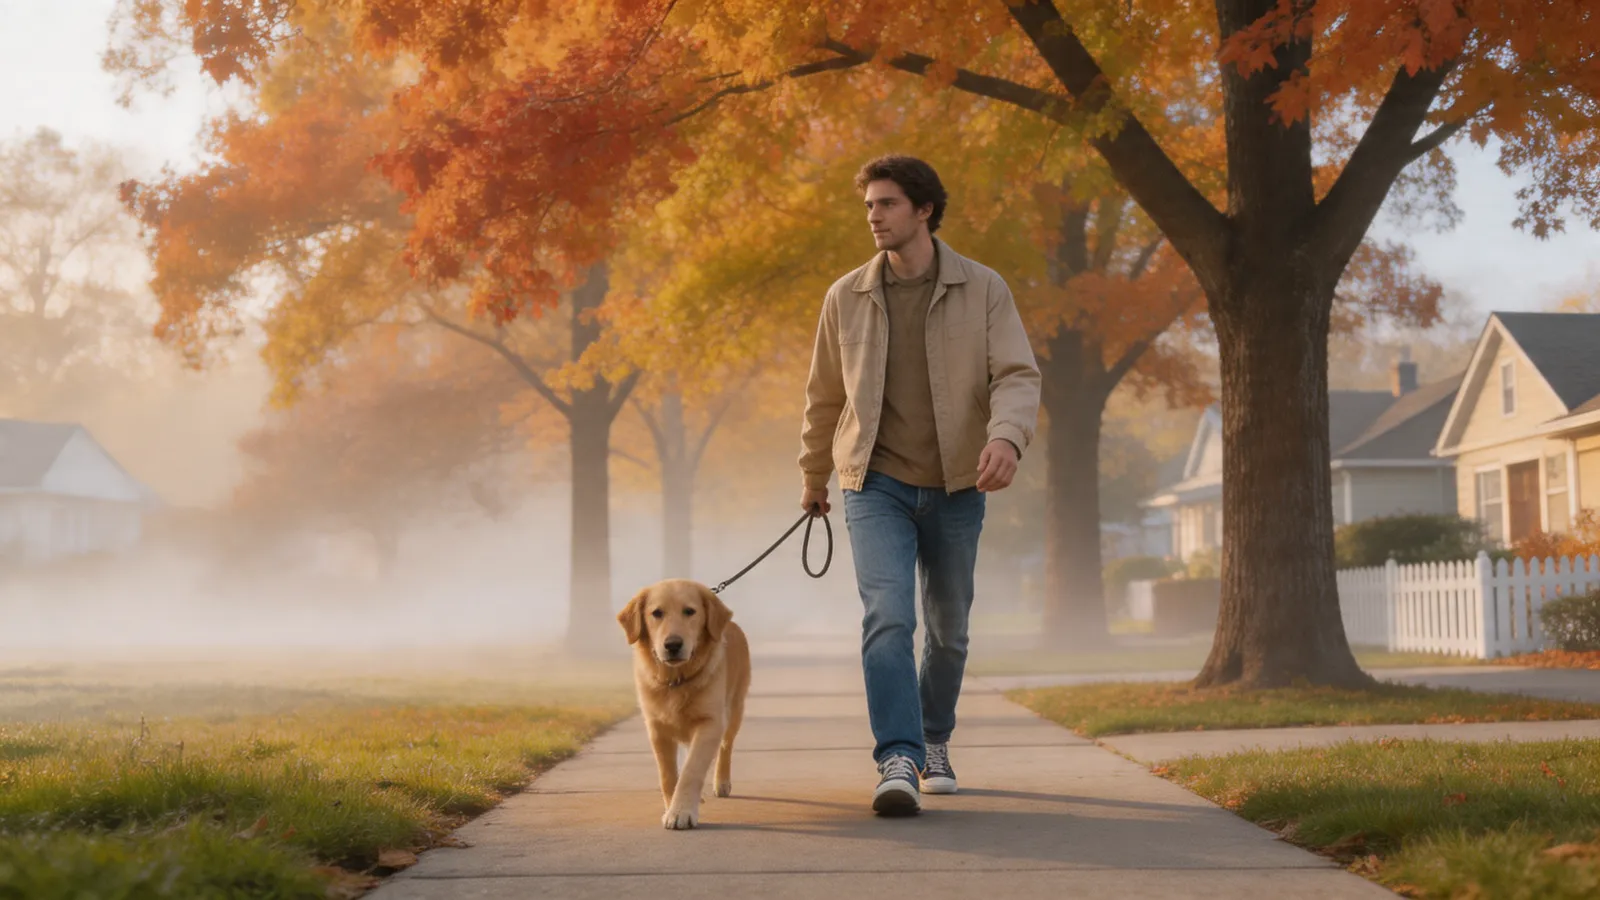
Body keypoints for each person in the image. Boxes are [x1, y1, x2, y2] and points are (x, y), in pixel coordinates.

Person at [798, 155, 1041, 816]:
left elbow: (1017, 374)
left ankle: (935, 739)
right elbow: (824, 397)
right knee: (889, 616)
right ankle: (898, 756)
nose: (873, 216)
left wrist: (1006, 437)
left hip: (959, 484)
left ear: (924, 209)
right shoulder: (844, 296)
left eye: (887, 204)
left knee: (949, 629)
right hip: (872, 484)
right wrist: (814, 476)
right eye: (869, 205)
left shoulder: (983, 288)